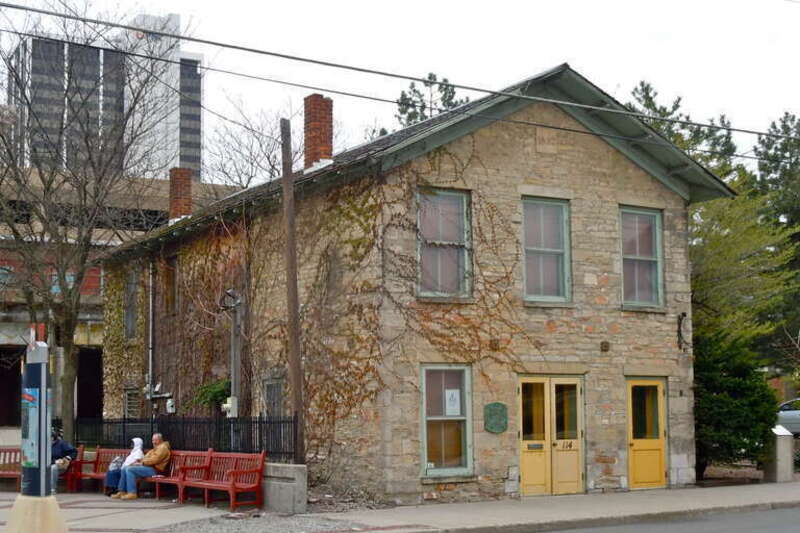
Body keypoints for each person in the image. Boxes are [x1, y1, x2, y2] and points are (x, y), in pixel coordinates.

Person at [112, 433, 170, 500]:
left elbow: (155, 460)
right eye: (152, 440)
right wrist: (138, 462)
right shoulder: (156, 448)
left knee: (130, 469)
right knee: (125, 468)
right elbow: (146, 458)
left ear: (160, 440)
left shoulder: (163, 448)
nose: (153, 442)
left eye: (155, 440)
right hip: (150, 467)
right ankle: (122, 491)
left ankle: (132, 493)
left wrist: (142, 463)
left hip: (156, 470)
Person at [50, 428, 78, 494]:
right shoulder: (44, 445)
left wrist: (67, 458)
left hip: (60, 465)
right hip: (48, 464)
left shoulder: (62, 443)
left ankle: (52, 489)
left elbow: (74, 452)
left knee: (53, 468)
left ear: (53, 438)